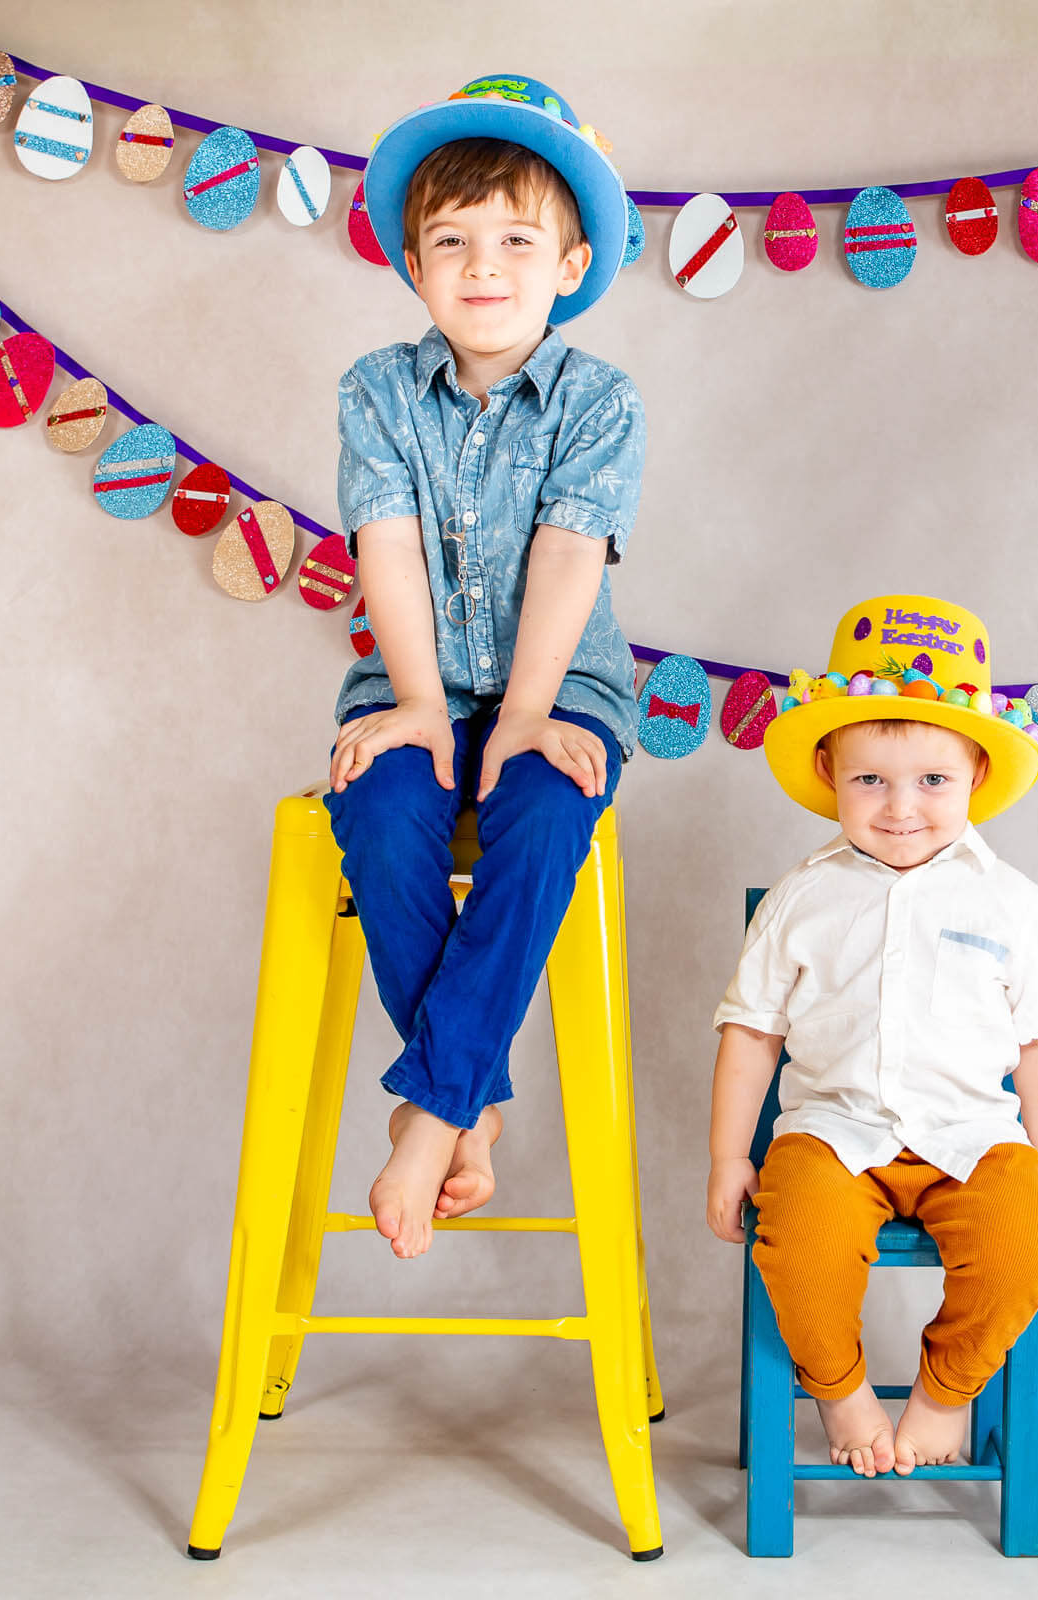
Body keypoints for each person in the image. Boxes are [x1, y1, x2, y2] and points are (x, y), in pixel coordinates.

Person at [324, 76, 645, 1260]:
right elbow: (387, 545)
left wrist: (523, 714)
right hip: (412, 679)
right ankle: (468, 1095)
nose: (482, 266)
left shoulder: (598, 401)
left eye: (516, 240)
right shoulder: (375, 390)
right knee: (382, 805)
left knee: (547, 809)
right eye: (452, 241)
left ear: (569, 264)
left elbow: (567, 553)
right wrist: (419, 701)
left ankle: (429, 1113)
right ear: (413, 264)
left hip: (561, 691)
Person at [707, 594, 1038, 1476]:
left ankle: (946, 1395)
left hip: (972, 1136)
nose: (901, 806)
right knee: (798, 1243)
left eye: (932, 781)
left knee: (1025, 1245)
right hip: (833, 1135)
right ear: (829, 770)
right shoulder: (802, 897)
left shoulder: (1014, 903)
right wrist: (726, 1157)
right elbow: (751, 1034)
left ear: (976, 774)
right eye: (870, 779)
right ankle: (841, 1392)